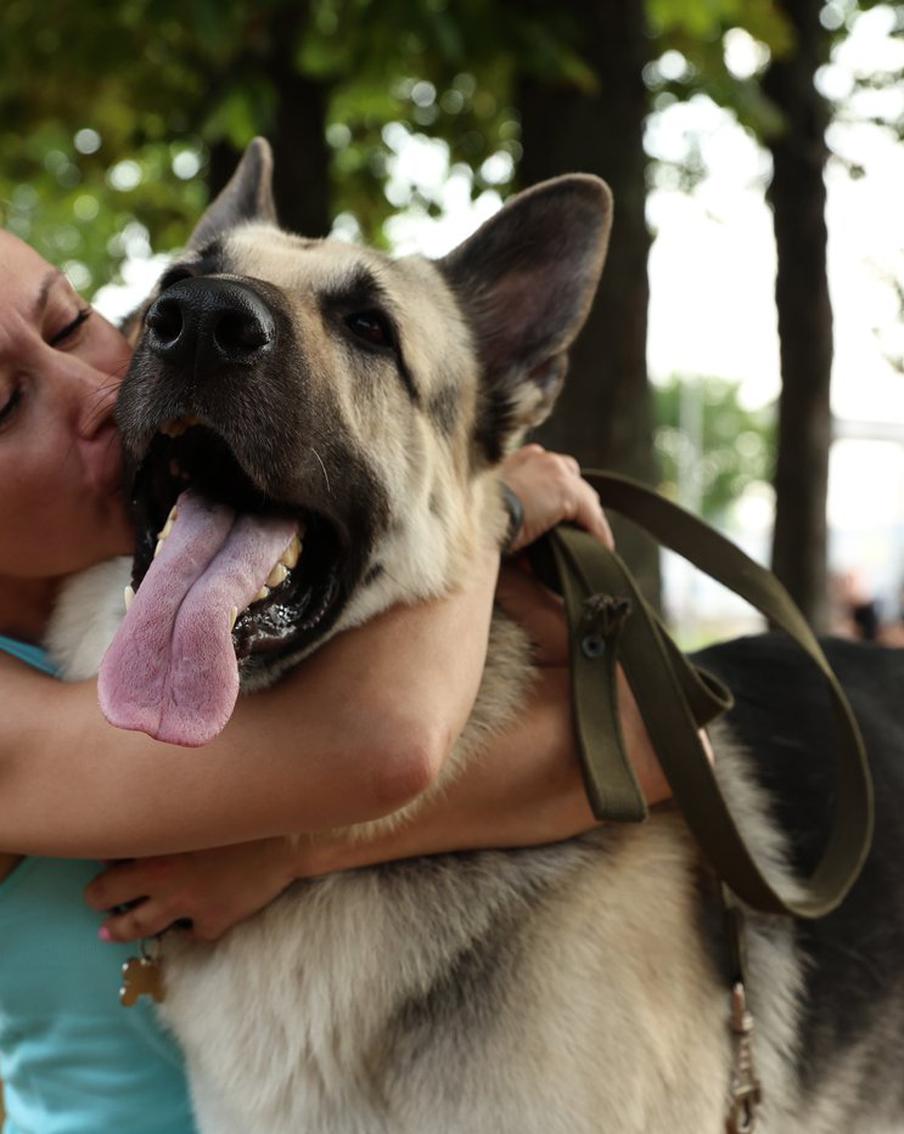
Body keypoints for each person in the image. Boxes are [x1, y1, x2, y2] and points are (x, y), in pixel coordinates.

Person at [0, 228, 668, 1132]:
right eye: (2, 402)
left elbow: (654, 740)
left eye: (75, 320)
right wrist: (490, 499)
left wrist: (292, 850)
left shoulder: (213, 552)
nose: (95, 391)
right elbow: (378, 744)